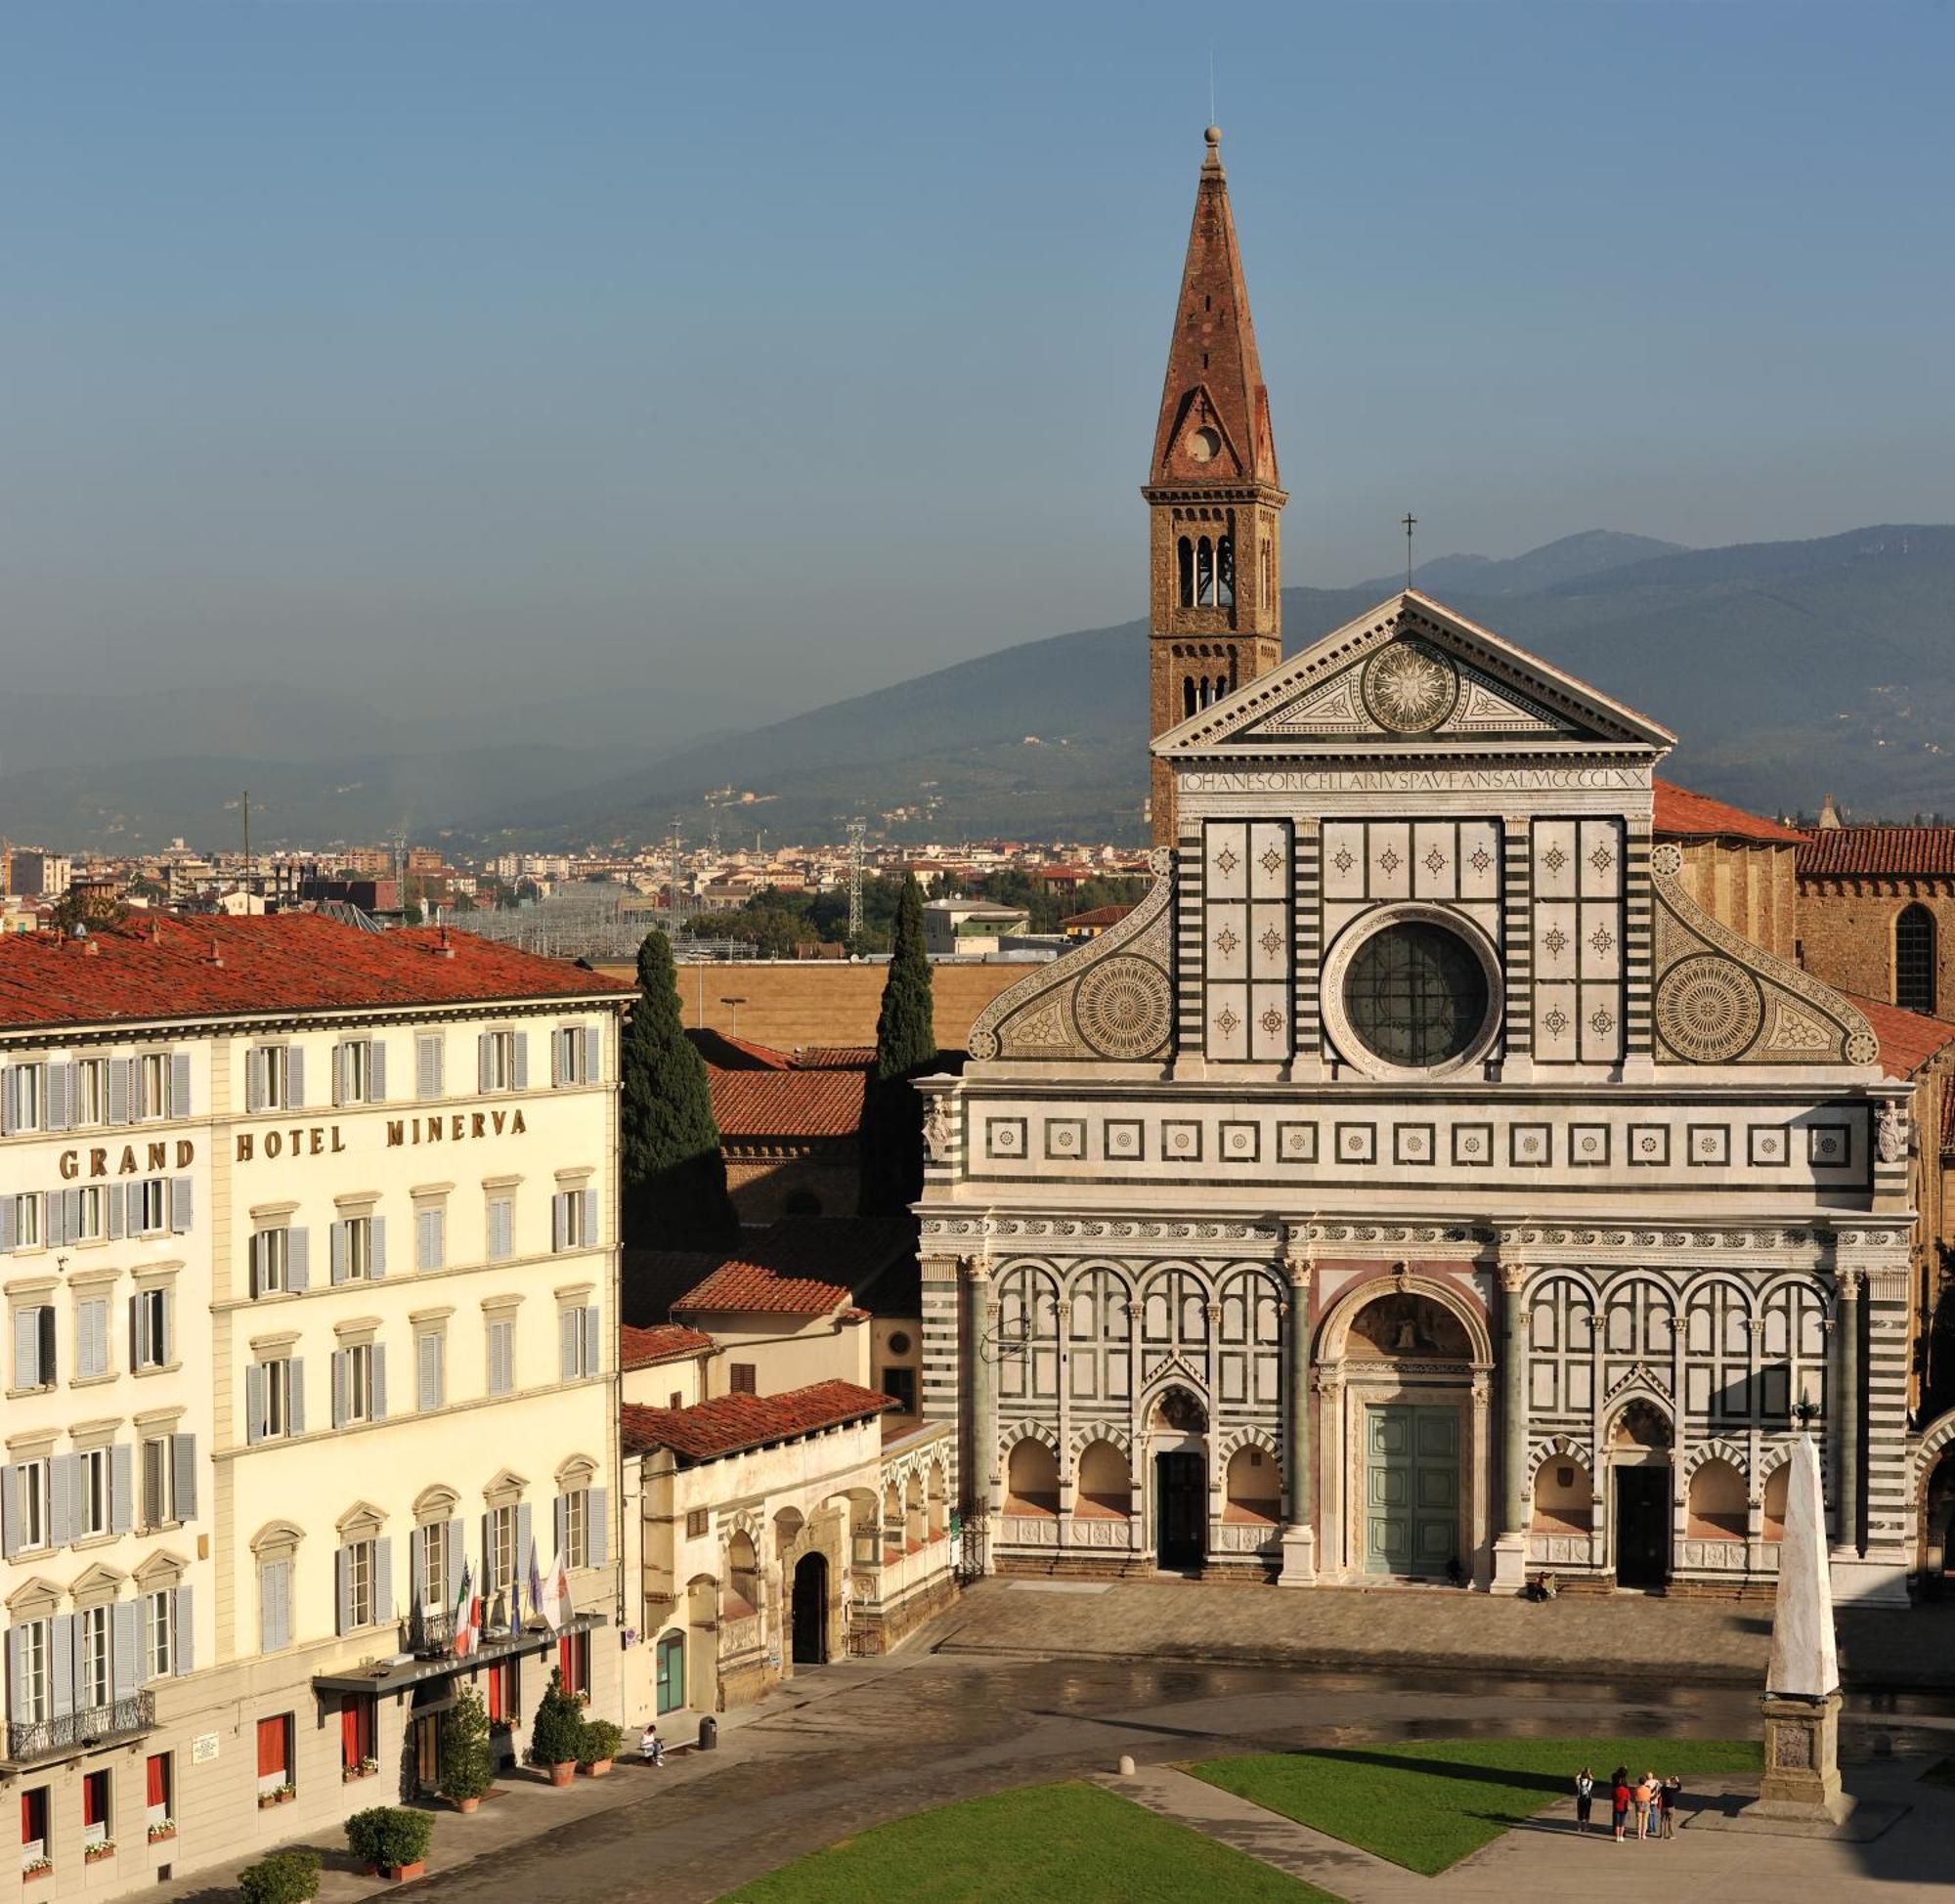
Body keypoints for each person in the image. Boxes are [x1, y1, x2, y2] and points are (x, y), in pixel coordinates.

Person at [1635, 1771, 1657, 1840]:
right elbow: (1650, 1797)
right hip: (1646, 1804)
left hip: (1639, 1804)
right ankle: (1643, 1835)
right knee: (1645, 1820)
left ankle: (1639, 1835)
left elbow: (1635, 1797)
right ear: (1645, 1782)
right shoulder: (1648, 1789)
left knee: (1639, 1820)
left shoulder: (1637, 1789)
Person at [1574, 1766, 1594, 1835]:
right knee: (1587, 1813)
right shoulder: (1589, 1782)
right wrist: (1588, 1773)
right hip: (1587, 1799)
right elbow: (1592, 1778)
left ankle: (1579, 1827)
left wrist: (1581, 1773)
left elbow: (1576, 1777)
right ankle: (1585, 1827)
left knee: (1580, 1812)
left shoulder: (1578, 1782)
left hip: (1580, 1799)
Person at [1611, 1771, 1630, 1843]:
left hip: (1616, 1806)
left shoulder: (1615, 1790)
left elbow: (1612, 1797)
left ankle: (1617, 1837)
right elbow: (1628, 1798)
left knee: (1617, 1823)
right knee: (1622, 1823)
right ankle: (1621, 1836)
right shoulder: (1626, 1790)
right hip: (1624, 1807)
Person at [1662, 1774, 1681, 1838]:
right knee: (1671, 1822)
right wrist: (1677, 1780)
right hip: (1671, 1808)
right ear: (1669, 1784)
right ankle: (1671, 1835)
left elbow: (1664, 1784)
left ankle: (1662, 1835)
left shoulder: (1662, 1789)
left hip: (1664, 1807)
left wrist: (1669, 1779)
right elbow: (1679, 1788)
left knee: (1662, 1821)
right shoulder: (1672, 1790)